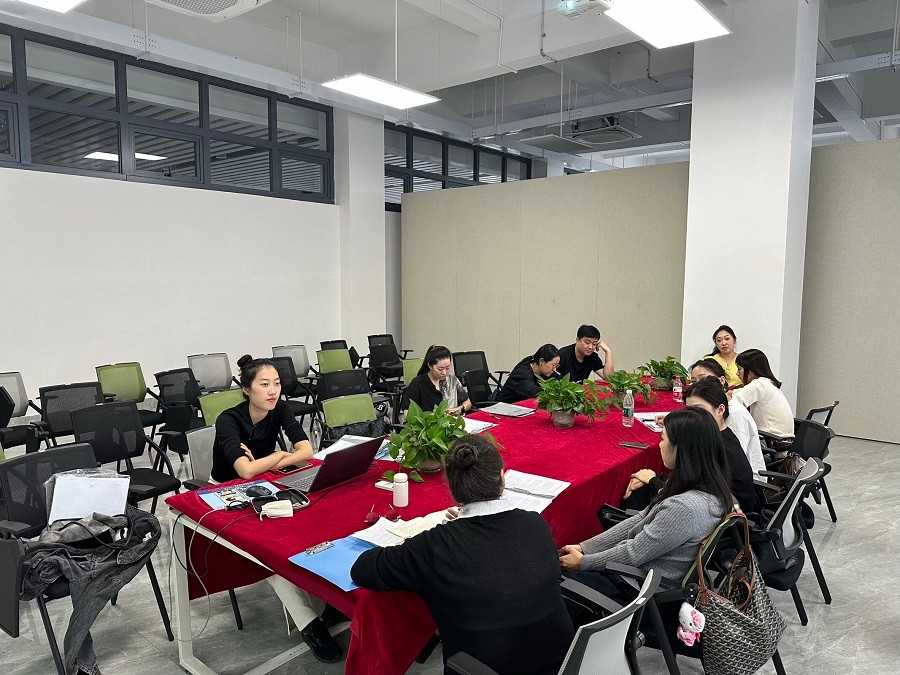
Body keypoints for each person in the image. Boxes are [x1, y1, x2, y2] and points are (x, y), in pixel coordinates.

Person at [351, 435, 575, 675]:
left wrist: (407, 546)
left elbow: (362, 569)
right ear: (502, 477)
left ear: (450, 485)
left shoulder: (434, 546)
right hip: (563, 664)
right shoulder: (535, 522)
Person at [210, 355, 340, 663]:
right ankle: (310, 624)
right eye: (264, 385)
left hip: (266, 484)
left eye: (277, 384)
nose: (273, 391)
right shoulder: (228, 420)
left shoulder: (279, 409)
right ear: (246, 389)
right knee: (270, 550)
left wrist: (269, 461)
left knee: (313, 525)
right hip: (225, 495)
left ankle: (328, 600)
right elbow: (243, 472)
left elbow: (306, 450)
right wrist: (278, 455)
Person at [559, 407, 733, 596]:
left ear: (680, 448)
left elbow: (632, 554)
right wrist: (585, 548)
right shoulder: (709, 487)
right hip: (642, 575)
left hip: (636, 586)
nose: (659, 445)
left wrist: (583, 562)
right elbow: (642, 518)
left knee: (554, 584)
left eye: (663, 439)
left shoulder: (684, 508)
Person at [623, 379, 760, 519]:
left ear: (720, 409)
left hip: (727, 518)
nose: (693, 416)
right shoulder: (719, 435)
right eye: (689, 410)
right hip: (716, 506)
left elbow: (695, 498)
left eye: (699, 409)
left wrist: (652, 480)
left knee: (640, 490)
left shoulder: (717, 448)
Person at [689, 358, 765, 475]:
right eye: (694, 381)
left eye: (703, 379)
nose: (698, 385)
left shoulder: (735, 413)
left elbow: (733, 459)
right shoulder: (714, 406)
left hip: (740, 478)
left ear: (721, 381)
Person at [732, 349, 795, 439]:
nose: (737, 373)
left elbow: (734, 402)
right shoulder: (768, 383)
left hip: (770, 440)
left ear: (752, 370)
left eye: (739, 369)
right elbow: (739, 393)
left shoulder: (759, 384)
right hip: (782, 440)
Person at [400, 345, 470, 416]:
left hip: (453, 421)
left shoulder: (452, 379)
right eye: (440, 369)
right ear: (430, 366)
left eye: (447, 368)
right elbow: (407, 413)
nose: (444, 372)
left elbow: (467, 402)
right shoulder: (418, 383)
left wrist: (460, 409)